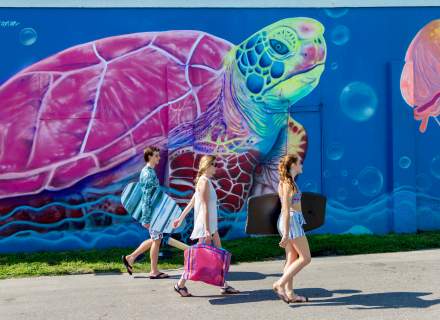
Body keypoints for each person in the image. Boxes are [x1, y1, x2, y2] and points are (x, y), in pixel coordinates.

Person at [172, 155, 239, 297]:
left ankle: (223, 284)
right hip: (206, 226)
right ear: (207, 165)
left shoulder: (204, 181)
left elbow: (191, 204)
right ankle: (180, 284)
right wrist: (207, 229)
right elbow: (203, 205)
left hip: (210, 226)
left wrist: (180, 218)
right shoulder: (204, 182)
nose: (216, 167)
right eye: (213, 164)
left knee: (219, 254)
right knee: (197, 257)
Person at [121, 146, 169, 279]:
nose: (159, 158)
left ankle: (130, 258)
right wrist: (146, 218)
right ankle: (154, 271)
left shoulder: (149, 171)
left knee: (156, 239)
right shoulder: (148, 174)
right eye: (156, 156)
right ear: (149, 157)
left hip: (154, 212)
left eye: (158, 155)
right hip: (152, 213)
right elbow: (147, 197)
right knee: (157, 240)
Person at [272, 154, 311, 303]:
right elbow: (286, 209)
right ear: (293, 165)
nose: (302, 165)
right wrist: (286, 233)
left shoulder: (288, 182)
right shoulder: (288, 184)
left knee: (291, 258)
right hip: (291, 221)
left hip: (289, 221)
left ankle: (290, 294)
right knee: (306, 258)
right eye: (300, 163)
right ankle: (279, 284)